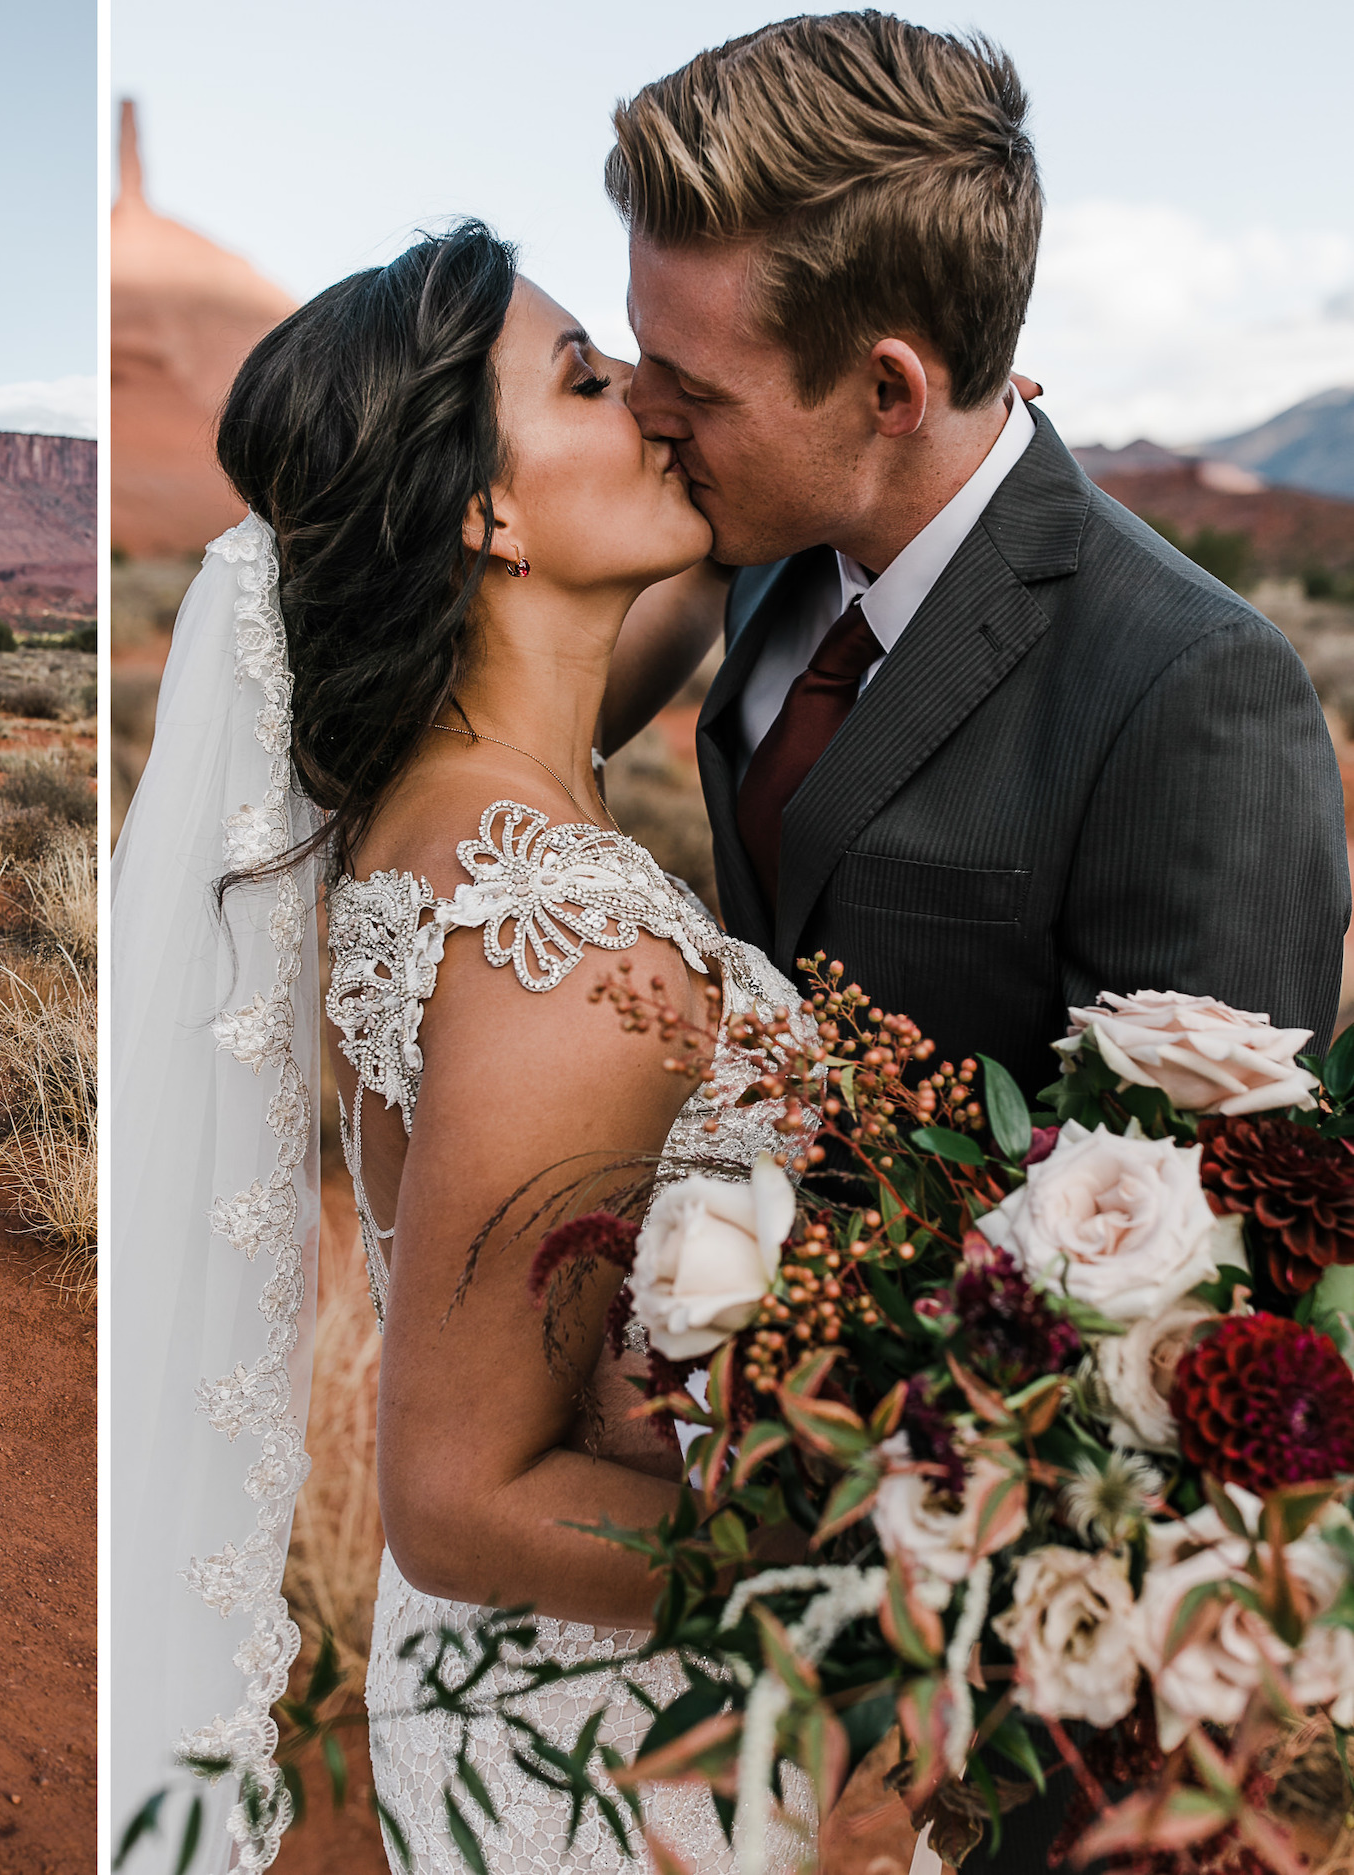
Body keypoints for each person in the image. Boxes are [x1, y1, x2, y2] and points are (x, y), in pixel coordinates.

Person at [113, 220, 810, 1875]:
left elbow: (659, 611)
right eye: (586, 376)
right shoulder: (548, 942)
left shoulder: (427, 802)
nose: (649, 395)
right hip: (633, 1756)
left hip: (515, 1718)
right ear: (483, 513)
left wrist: (831, 436)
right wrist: (859, 1537)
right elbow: (459, 1501)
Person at [603, 13, 1347, 1091]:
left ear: (891, 391)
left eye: (697, 387)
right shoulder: (762, 550)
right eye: (641, 352)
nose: (642, 405)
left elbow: (1209, 1204)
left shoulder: (1193, 688)